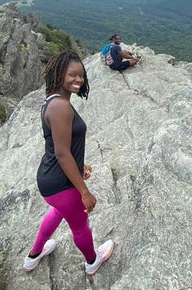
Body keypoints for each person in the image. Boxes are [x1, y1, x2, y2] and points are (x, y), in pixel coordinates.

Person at [24, 50, 114, 276]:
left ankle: (33, 257)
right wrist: (85, 192)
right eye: (72, 74)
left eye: (82, 75)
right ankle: (92, 261)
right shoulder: (61, 106)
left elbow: (61, 147)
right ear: (59, 73)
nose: (79, 80)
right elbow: (62, 153)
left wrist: (79, 166)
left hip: (49, 180)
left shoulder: (52, 101)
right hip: (62, 184)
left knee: (58, 212)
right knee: (80, 226)